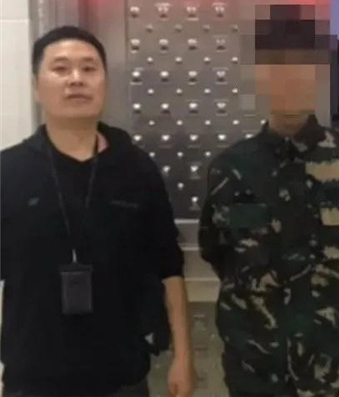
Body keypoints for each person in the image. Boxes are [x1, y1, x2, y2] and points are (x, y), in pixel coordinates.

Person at [198, 4, 339, 396]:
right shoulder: (231, 168)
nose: (290, 76)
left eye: (303, 63)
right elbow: (218, 253)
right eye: (276, 64)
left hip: (333, 368)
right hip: (255, 369)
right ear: (258, 76)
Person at [0, 26, 196, 397]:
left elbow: (169, 268)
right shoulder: (8, 172)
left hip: (122, 377)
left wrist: (183, 357)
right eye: (61, 68)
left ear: (105, 84)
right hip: (32, 379)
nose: (76, 79)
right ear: (36, 87)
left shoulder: (137, 169)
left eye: (89, 68)